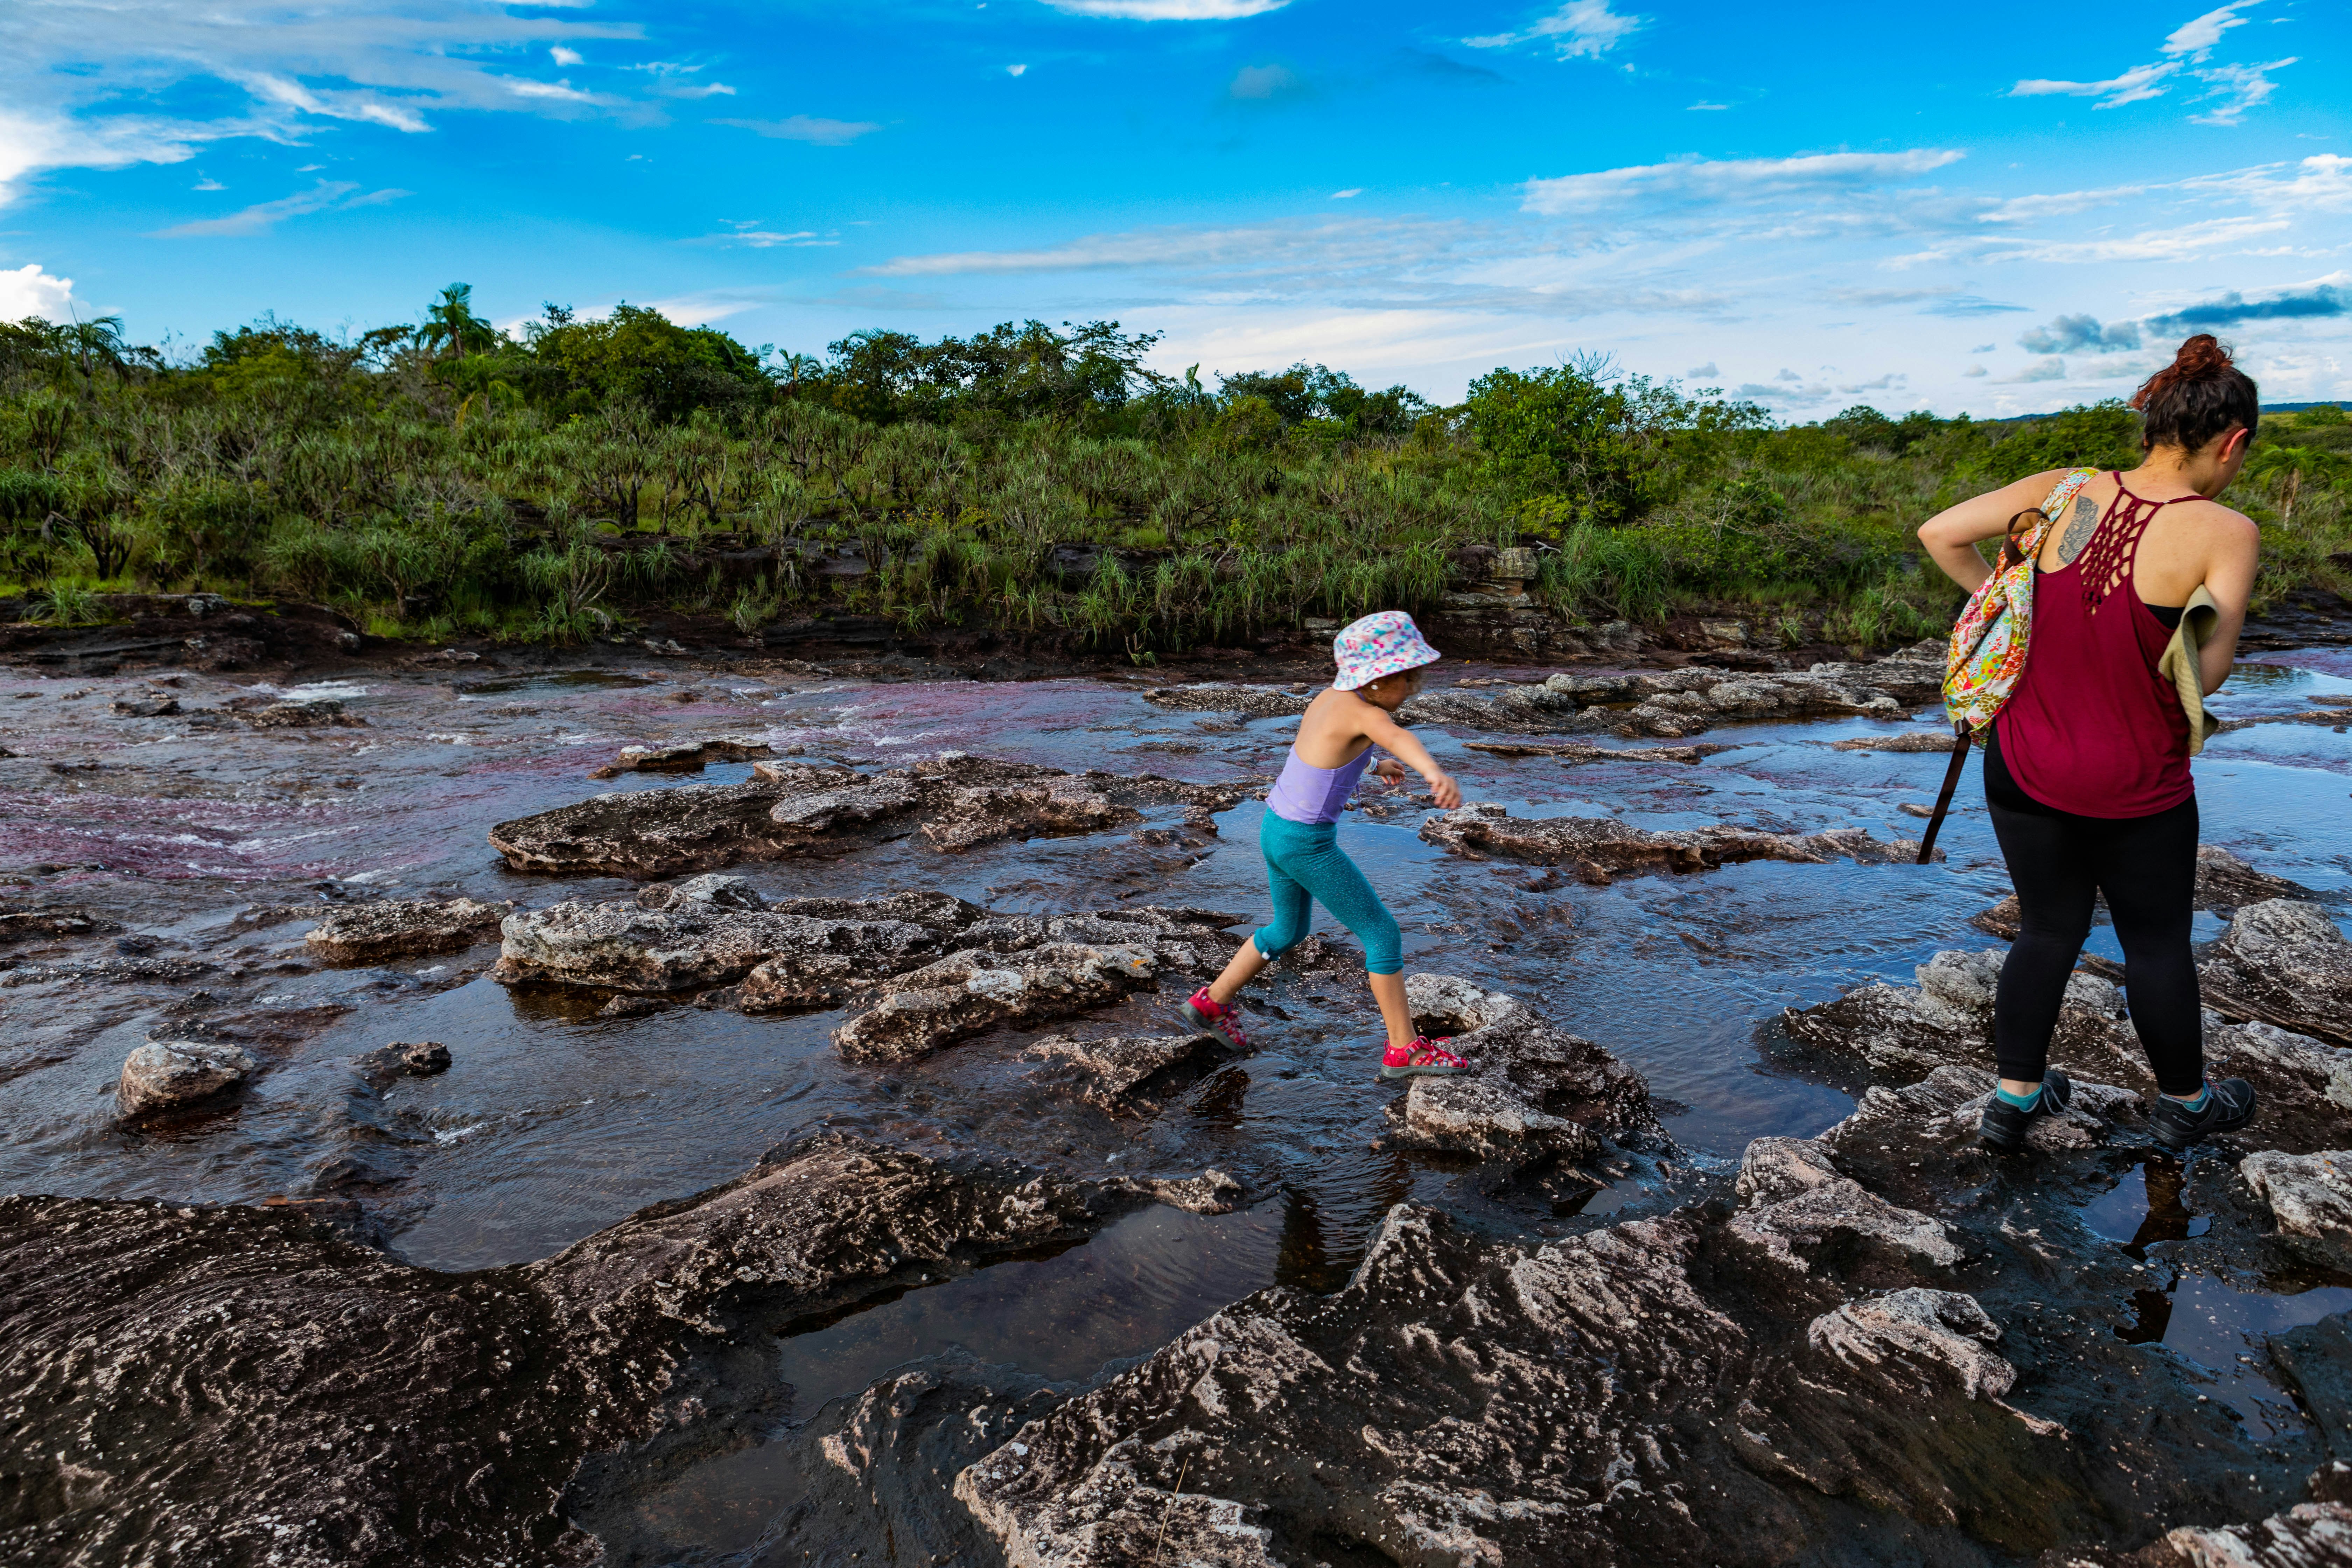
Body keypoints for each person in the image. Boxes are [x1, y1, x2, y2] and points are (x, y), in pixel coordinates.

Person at [1917, 333, 2262, 1153]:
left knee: (2046, 930)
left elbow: (1939, 532)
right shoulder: (2225, 530)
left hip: (2024, 766)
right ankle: (2184, 1102)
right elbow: (2204, 678)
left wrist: (2012, 606)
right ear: (2233, 441)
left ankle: (2015, 1100)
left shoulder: (2057, 488)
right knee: (2154, 943)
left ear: (2150, 425)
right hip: (2136, 779)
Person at [1177, 610, 1472, 1079]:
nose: (1416, 688)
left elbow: (1324, 747)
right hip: (1307, 844)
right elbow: (1396, 735)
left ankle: (1211, 1003)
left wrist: (1374, 767)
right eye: (1410, 678)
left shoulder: (1331, 699)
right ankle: (1405, 1050)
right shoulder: (1370, 713)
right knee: (1382, 934)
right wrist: (1433, 771)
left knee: (1287, 931)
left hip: (1275, 829)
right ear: (1377, 680)